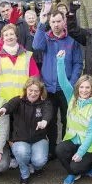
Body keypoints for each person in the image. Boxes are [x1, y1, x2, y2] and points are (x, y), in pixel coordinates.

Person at [33, 9, 83, 160]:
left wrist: (72, 83)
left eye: (58, 21)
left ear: (64, 22)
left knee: (67, 119)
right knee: (51, 120)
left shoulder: (71, 40)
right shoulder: (46, 38)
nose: (55, 25)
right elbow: (36, 46)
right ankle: (53, 149)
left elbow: (78, 63)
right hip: (48, 88)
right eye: (53, 22)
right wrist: (41, 24)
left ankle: (67, 147)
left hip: (65, 89)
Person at [54, 50, 92, 184]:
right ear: (77, 88)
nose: (84, 90)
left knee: (76, 166)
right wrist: (60, 61)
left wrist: (80, 153)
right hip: (74, 139)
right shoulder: (72, 98)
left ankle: (91, 164)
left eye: (88, 88)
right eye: (81, 87)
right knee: (59, 150)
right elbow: (62, 81)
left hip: (89, 145)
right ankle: (72, 172)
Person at [0, 76, 52, 184]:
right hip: (20, 139)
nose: (33, 93)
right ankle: (24, 173)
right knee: (22, 153)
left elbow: (48, 113)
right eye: (30, 90)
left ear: (41, 91)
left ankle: (35, 166)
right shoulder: (19, 100)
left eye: (36, 91)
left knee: (39, 161)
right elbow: (9, 105)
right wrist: (3, 109)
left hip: (38, 139)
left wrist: (44, 121)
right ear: (26, 90)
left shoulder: (45, 102)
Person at [0, 24, 40, 101]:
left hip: (23, 99)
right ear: (3, 39)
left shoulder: (27, 55)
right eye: (6, 35)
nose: (9, 37)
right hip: (3, 100)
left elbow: (34, 77)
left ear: (16, 36)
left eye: (11, 34)